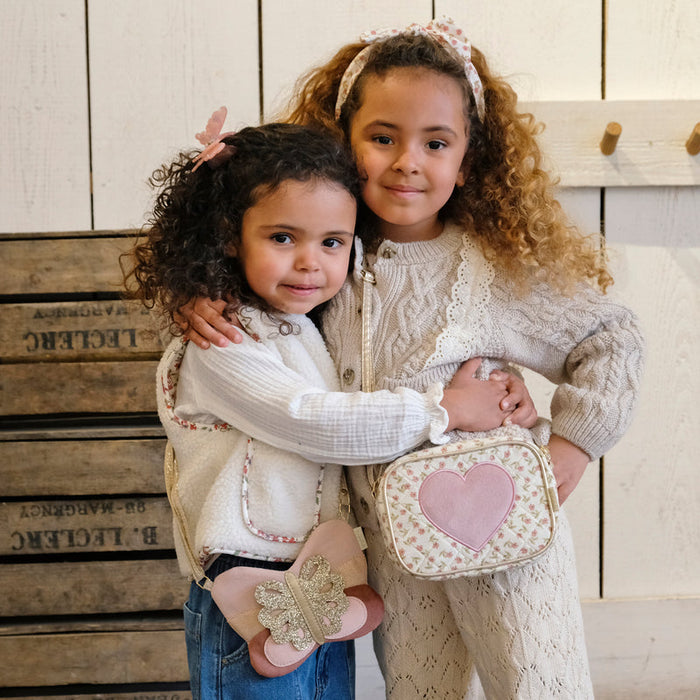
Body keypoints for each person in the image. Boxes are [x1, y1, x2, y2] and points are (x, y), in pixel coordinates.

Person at [179, 18, 645, 699]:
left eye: (436, 142)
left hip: (505, 533)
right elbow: (246, 264)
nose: (408, 162)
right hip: (395, 550)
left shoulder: (492, 267)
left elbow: (611, 338)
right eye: (382, 138)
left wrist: (572, 447)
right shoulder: (324, 253)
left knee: (539, 684)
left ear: (467, 158)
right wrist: (194, 293)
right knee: (422, 689)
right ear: (343, 139)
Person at [126, 120, 536, 700]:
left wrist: (499, 382)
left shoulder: (306, 323)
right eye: (282, 238)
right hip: (245, 594)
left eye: (331, 242)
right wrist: (442, 409)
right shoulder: (221, 343)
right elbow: (311, 420)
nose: (309, 264)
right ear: (226, 236)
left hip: (320, 584)